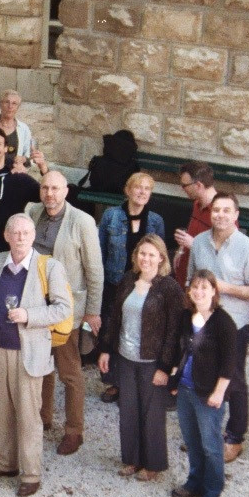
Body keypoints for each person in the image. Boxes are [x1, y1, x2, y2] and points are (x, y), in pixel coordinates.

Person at [0, 214, 73, 497]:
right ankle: (5, 464)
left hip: (27, 353)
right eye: (15, 233)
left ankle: (31, 474)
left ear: (33, 236)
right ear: (6, 236)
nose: (20, 237)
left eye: (26, 233)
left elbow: (63, 309)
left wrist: (29, 315)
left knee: (29, 416)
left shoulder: (49, 267)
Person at [26, 170, 105, 456]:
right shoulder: (32, 212)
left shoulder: (82, 221)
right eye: (45, 188)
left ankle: (74, 431)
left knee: (69, 372)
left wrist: (92, 311)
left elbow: (94, 270)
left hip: (67, 308)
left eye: (55, 189)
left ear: (66, 192)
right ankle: (43, 417)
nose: (49, 194)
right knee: (41, 366)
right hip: (36, 305)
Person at [96, 234, 184, 481]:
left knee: (152, 413)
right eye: (142, 253)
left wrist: (165, 367)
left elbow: (174, 331)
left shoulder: (169, 288)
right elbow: (114, 317)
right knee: (129, 410)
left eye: (151, 254)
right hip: (126, 356)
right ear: (136, 256)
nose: (146, 259)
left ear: (161, 258)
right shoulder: (128, 280)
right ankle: (132, 459)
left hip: (152, 361)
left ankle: (153, 464)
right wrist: (106, 349)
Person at [189, 192, 249, 464]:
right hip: (202, 323)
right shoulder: (199, 242)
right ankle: (206, 433)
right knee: (202, 377)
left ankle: (235, 437)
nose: (220, 215)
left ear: (236, 215)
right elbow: (190, 280)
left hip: (234, 324)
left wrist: (224, 288)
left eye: (226, 210)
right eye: (216, 210)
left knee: (234, 380)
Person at [170, 269, 240, 497]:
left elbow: (230, 363)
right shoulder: (187, 317)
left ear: (213, 291)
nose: (199, 292)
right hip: (186, 388)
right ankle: (194, 482)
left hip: (208, 393)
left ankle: (212, 492)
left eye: (204, 287)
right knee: (191, 440)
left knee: (211, 444)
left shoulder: (223, 322)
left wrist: (219, 392)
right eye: (195, 287)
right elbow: (181, 351)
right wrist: (175, 379)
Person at [96, 171, 166, 403]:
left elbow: (160, 257)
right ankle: (113, 382)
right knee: (111, 329)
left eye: (147, 189)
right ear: (127, 190)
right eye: (138, 187)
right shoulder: (111, 216)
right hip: (115, 281)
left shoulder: (156, 221)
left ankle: (134, 383)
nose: (142, 192)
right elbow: (99, 252)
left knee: (136, 331)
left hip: (143, 285)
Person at [0, 127, 40, 232]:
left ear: (6, 148)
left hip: (8, 240)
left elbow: (48, 195)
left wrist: (43, 168)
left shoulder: (18, 178)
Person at [172, 161, 218, 286]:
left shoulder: (221, 212)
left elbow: (223, 254)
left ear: (198, 185)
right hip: (185, 275)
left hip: (201, 282)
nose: (183, 189)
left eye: (184, 185)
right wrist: (181, 250)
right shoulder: (197, 204)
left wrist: (194, 244)